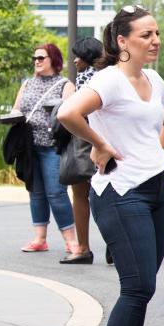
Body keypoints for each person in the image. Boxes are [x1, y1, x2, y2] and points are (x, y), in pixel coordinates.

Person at [57, 4, 164, 326]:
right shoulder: (109, 80)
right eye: (146, 35)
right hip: (121, 192)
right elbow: (68, 114)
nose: (155, 40)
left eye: (156, 33)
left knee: (145, 287)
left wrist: (153, 151)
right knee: (136, 286)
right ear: (122, 41)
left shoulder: (154, 80)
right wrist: (100, 144)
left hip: (157, 189)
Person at [11, 43, 78, 254]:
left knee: (56, 193)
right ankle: (40, 238)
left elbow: (70, 111)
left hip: (53, 146)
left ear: (53, 60)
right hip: (30, 147)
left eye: (42, 58)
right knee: (35, 192)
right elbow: (16, 109)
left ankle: (71, 240)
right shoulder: (27, 84)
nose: (37, 62)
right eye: (35, 58)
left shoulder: (65, 84)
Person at [60, 38, 104, 266]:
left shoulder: (91, 80)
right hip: (98, 140)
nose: (75, 60)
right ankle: (110, 246)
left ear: (89, 58)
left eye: (79, 56)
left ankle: (84, 248)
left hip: (90, 141)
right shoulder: (103, 77)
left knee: (83, 195)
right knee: (103, 194)